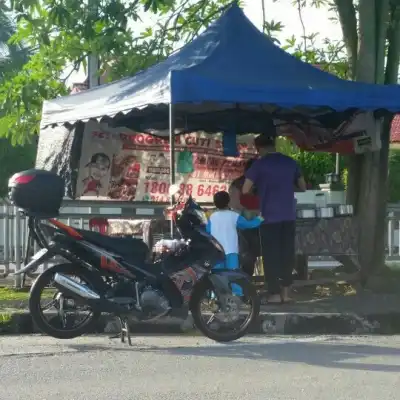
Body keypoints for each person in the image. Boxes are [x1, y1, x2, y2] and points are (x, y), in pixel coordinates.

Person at [242, 135, 306, 304]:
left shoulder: (259, 164)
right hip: (288, 215)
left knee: (270, 255)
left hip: (269, 216)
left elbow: (245, 189)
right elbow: (303, 186)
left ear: (259, 148)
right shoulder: (290, 162)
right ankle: (286, 293)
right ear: (274, 144)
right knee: (287, 254)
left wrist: (260, 189)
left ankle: (274, 294)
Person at [206, 191, 263, 295]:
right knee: (234, 275)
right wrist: (259, 219)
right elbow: (248, 225)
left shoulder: (212, 217)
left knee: (217, 276)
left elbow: (208, 231)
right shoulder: (234, 216)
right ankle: (237, 296)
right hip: (231, 251)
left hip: (216, 252)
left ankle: (215, 297)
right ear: (228, 202)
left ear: (215, 203)